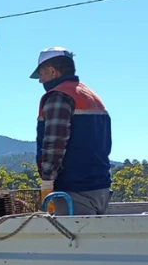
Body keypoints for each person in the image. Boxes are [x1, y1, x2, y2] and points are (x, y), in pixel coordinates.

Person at [32, 47, 113, 215]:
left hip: (74, 191)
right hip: (101, 188)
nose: (40, 81)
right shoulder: (91, 96)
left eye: (41, 74)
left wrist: (47, 181)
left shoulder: (58, 96)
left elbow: (54, 143)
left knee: (73, 241)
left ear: (53, 71)